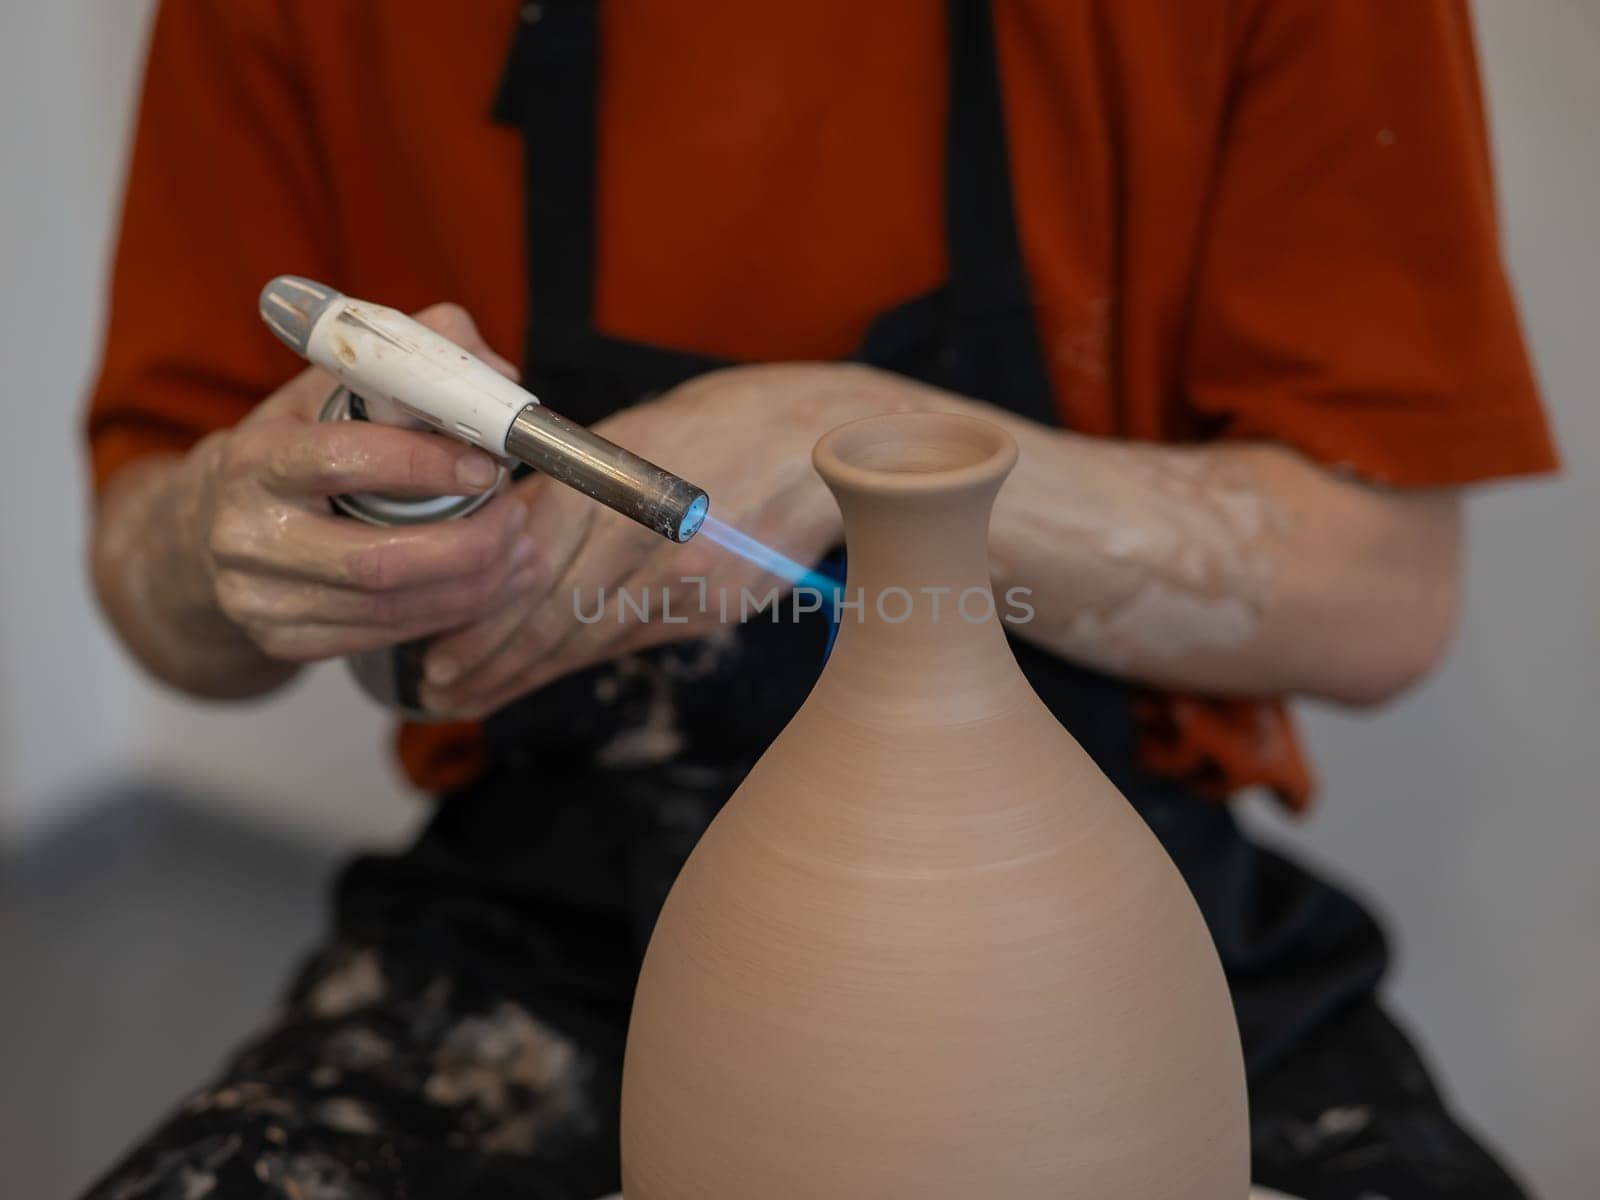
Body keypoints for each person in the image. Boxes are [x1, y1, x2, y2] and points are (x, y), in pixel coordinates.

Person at [83, 1, 1556, 1197]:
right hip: (537, 924)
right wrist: (224, 544)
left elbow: (1385, 593)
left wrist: (856, 442)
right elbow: (154, 593)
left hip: (1129, 938)